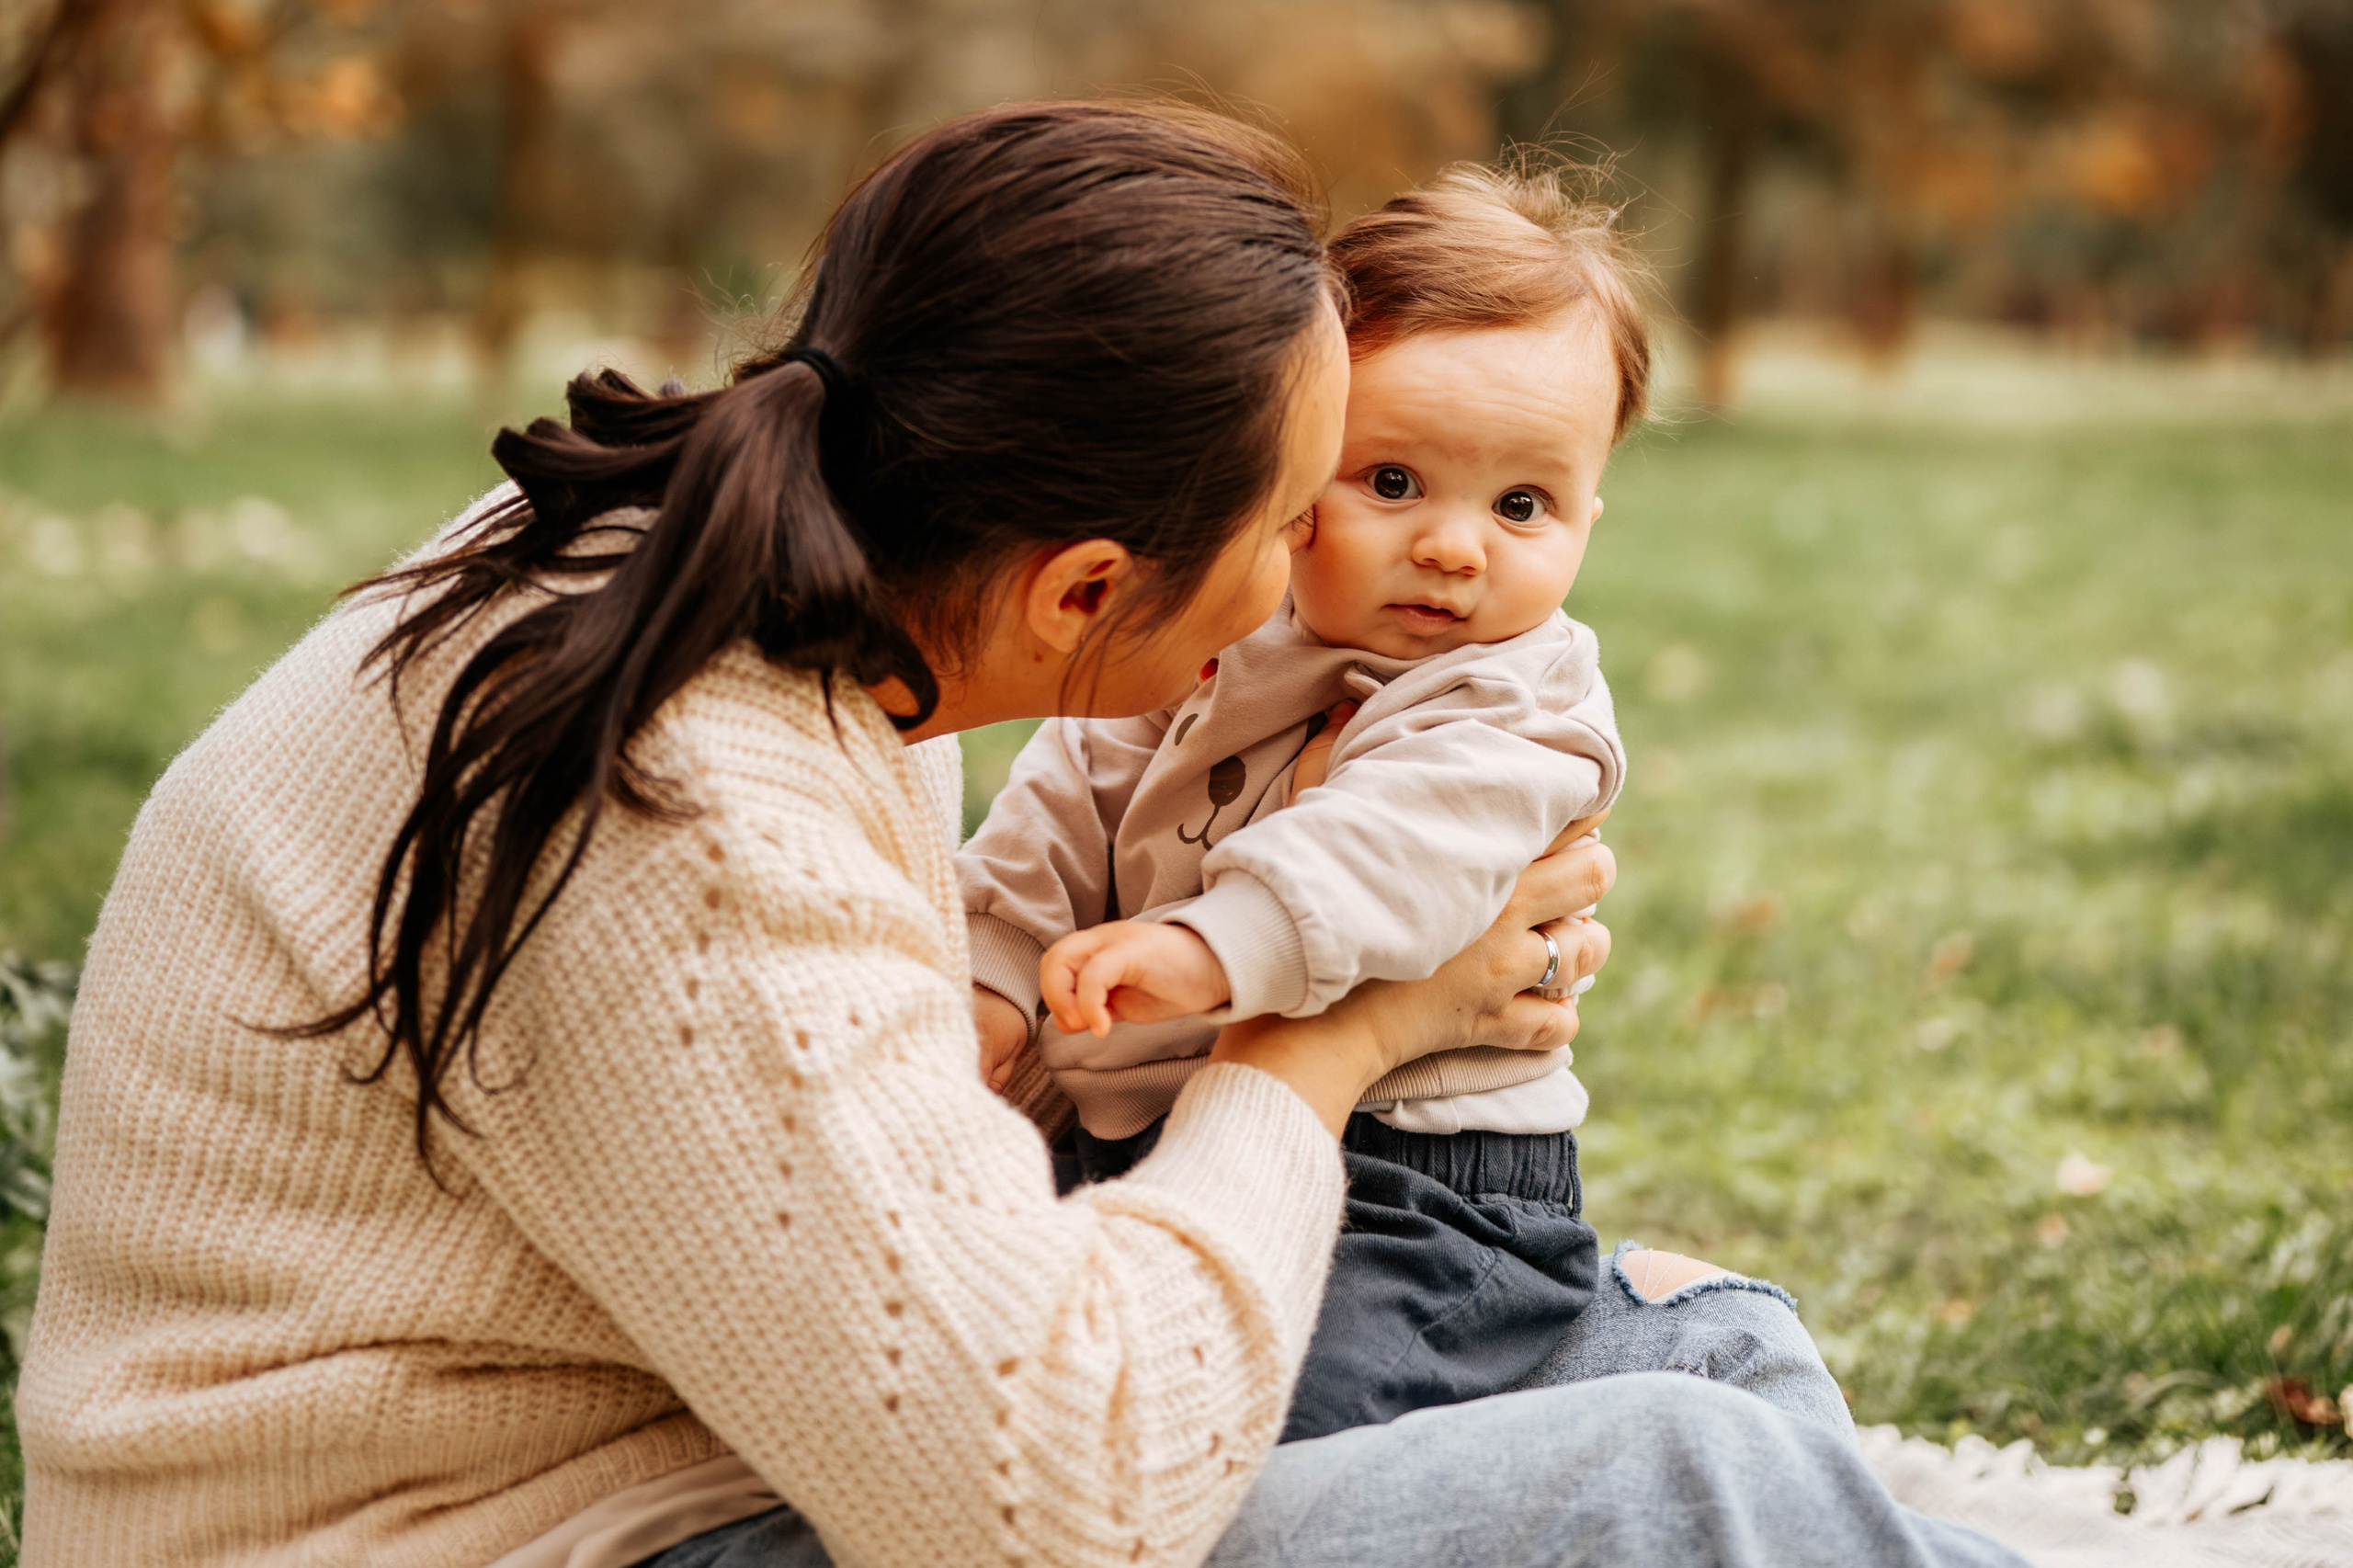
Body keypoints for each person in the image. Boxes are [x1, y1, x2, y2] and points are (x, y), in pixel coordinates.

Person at [17, 101, 2025, 1568]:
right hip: (506, 1535)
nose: (1313, 581)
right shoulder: (687, 807)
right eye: (1296, 518)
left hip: (705, 1436)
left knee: (1713, 1357)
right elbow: (1043, 1495)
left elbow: (851, 1145)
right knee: (1670, 1486)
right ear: (1083, 591)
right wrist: (1330, 1042)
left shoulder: (784, 568)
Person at [959, 162, 1645, 1443]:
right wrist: (994, 974)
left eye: (1523, 505)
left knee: (1265, 1421)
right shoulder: (1226, 626)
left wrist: (1214, 945)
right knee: (1013, 1352)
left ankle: (1613, 1390)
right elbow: (1071, 786)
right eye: (1390, 482)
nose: (1454, 546)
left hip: (1418, 1194)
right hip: (1146, 1132)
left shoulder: (1513, 696)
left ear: (1588, 515)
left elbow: (1399, 851)